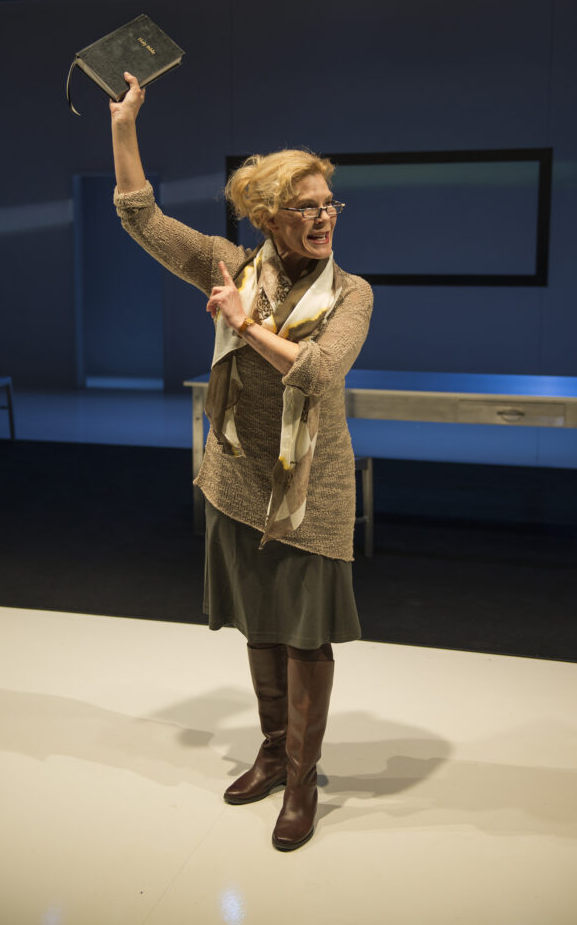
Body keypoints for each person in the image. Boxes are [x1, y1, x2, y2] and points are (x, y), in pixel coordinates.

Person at [110, 72, 373, 851]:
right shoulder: (229, 261)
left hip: (309, 492)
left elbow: (319, 372)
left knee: (305, 636)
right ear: (268, 217)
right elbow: (141, 217)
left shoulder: (353, 292)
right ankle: (269, 750)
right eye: (307, 205)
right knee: (259, 625)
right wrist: (125, 126)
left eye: (330, 203)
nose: (324, 216)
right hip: (236, 480)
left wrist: (243, 322)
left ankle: (301, 778)